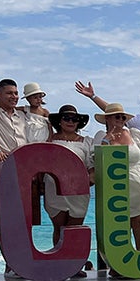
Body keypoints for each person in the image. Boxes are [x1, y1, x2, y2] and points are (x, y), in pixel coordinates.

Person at [94, 102, 140, 249]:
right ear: (107, 119)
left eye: (122, 117)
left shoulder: (135, 134)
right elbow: (97, 160)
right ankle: (118, 264)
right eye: (116, 117)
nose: (120, 119)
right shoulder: (101, 136)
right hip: (115, 186)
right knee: (119, 224)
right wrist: (106, 141)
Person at [44, 105, 95, 258]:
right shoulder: (49, 140)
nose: (71, 121)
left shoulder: (87, 142)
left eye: (75, 119)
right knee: (59, 228)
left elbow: (91, 167)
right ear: (59, 121)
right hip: (54, 189)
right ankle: (60, 261)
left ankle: (74, 263)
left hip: (78, 191)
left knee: (75, 228)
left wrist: (88, 182)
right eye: (66, 118)